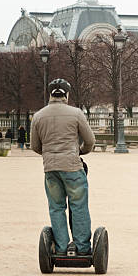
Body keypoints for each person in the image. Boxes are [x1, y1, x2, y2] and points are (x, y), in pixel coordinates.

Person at [31, 78, 95, 256]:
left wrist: (50, 154)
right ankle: (82, 248)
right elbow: (90, 141)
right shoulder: (76, 114)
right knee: (79, 206)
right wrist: (80, 152)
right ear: (66, 94)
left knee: (56, 208)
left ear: (50, 94)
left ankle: (61, 248)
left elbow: (35, 146)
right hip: (72, 167)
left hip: (50, 168)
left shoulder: (38, 116)